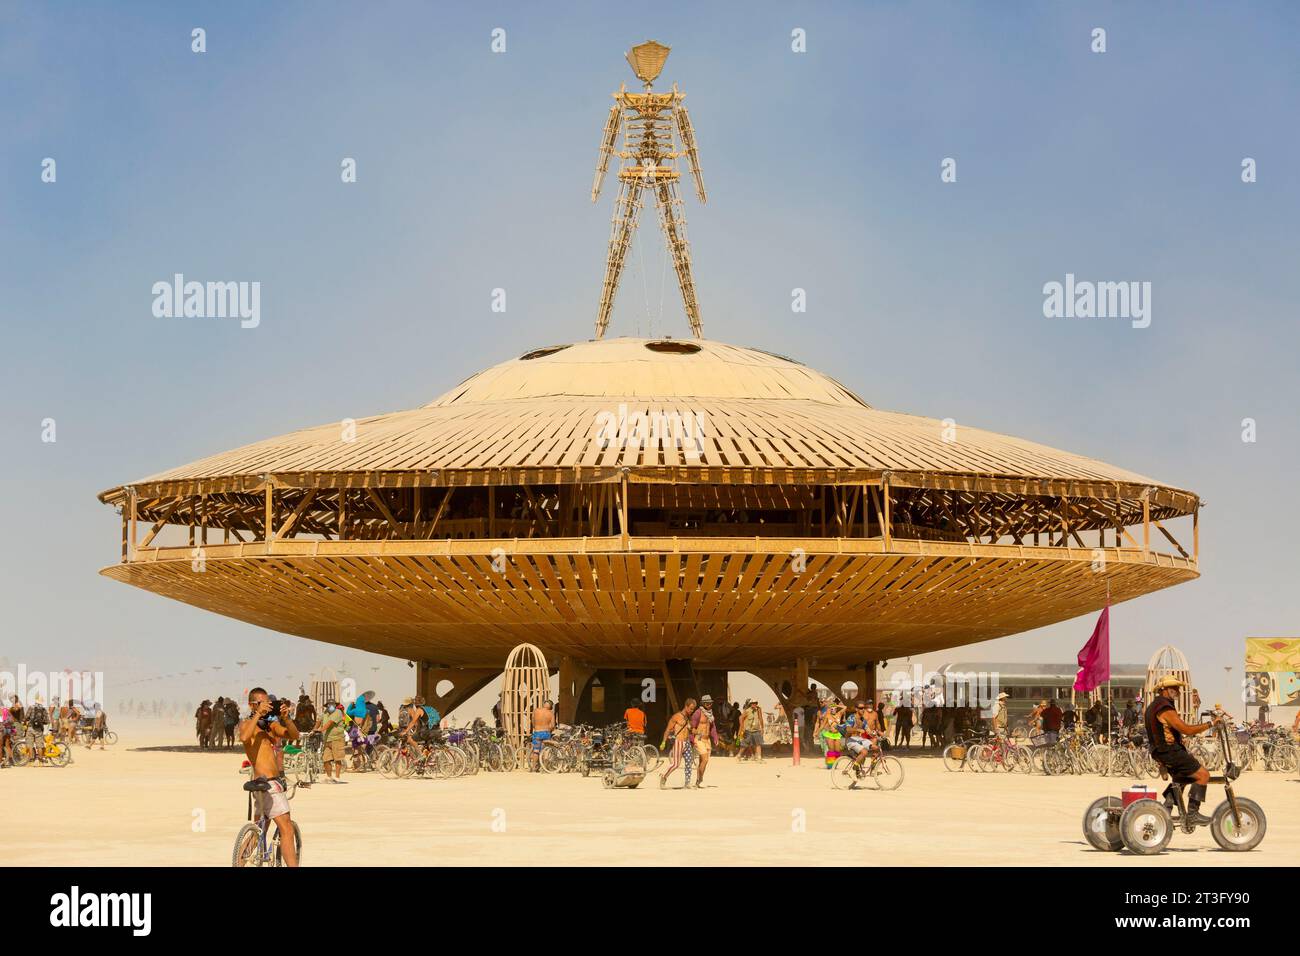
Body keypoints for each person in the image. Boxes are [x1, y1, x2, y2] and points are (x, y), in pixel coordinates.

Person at [1144, 675, 1222, 827]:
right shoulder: (1165, 707)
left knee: (1181, 779)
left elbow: (1164, 730)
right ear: (1164, 690)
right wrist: (1210, 723)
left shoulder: (1153, 706)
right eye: (1174, 688)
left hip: (1160, 751)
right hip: (1170, 751)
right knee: (1203, 775)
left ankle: (1165, 809)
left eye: (1178, 688)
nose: (1178, 690)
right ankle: (1193, 815)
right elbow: (1186, 728)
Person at [239, 689, 300, 866]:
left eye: (267, 703)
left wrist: (286, 718)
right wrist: (258, 713)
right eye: (260, 703)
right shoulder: (246, 725)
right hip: (268, 784)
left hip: (267, 785)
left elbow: (294, 735)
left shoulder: (270, 727)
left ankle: (239, 863)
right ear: (251, 705)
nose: (265, 706)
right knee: (286, 828)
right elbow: (244, 736)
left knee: (259, 830)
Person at [659, 699, 696, 789]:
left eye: (693, 709)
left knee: (689, 762)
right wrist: (663, 742)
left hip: (687, 743)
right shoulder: (676, 717)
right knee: (676, 764)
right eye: (691, 709)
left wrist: (695, 731)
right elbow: (668, 729)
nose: (692, 711)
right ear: (686, 706)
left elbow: (691, 730)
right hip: (679, 742)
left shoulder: (689, 718)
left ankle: (687, 783)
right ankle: (663, 777)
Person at [689, 694, 720, 787]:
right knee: (705, 759)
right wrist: (691, 740)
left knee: (703, 761)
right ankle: (700, 778)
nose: (709, 705)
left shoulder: (710, 714)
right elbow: (691, 727)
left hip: (707, 740)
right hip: (699, 739)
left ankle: (697, 781)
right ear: (703, 703)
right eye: (707, 703)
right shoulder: (697, 713)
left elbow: (712, 727)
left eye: (710, 703)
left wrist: (715, 737)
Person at [530, 700, 555, 771]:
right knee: (545, 750)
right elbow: (552, 725)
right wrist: (549, 729)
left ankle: (534, 767)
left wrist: (536, 727)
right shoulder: (551, 713)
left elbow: (533, 721)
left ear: (544, 704)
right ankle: (544, 767)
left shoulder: (536, 711)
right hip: (546, 733)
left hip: (537, 732)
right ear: (550, 706)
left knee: (536, 751)